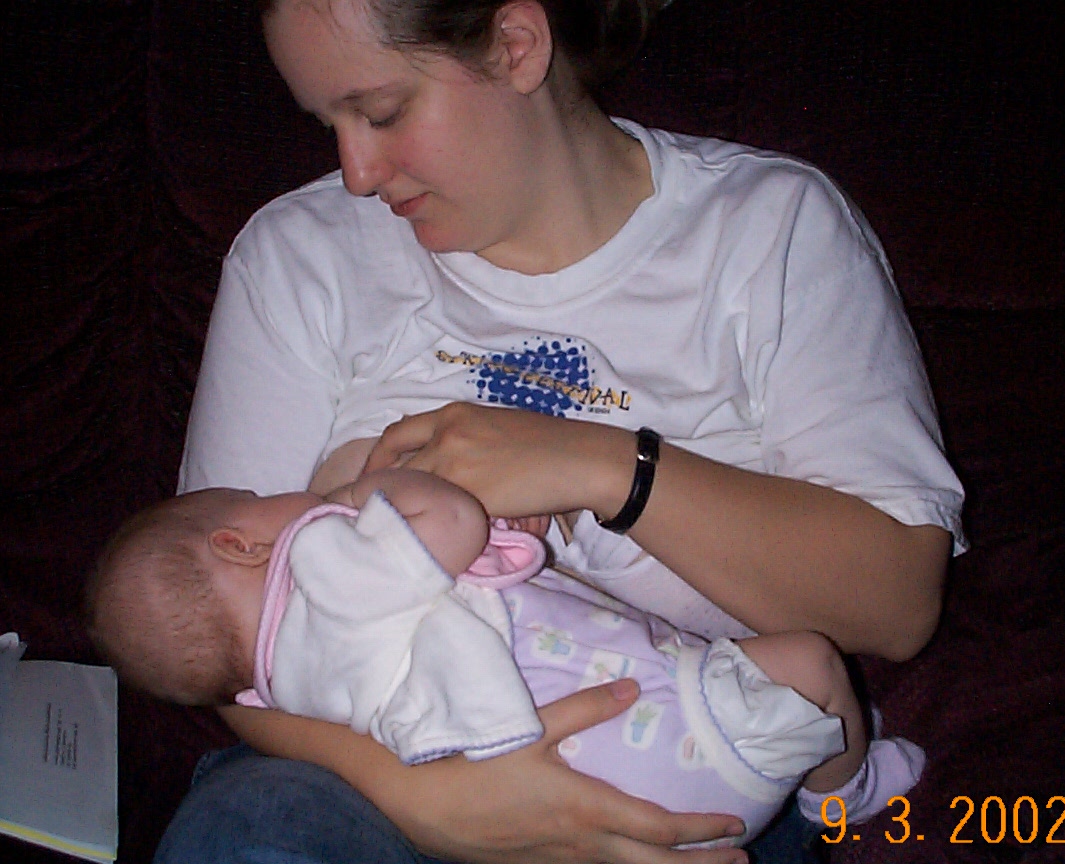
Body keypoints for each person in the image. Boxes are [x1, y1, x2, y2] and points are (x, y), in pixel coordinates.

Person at [161, 0, 966, 862]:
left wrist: (604, 468)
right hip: (365, 788)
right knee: (251, 832)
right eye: (329, 124)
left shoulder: (773, 230)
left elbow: (896, 605)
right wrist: (433, 802)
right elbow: (218, 635)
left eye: (382, 112)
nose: (356, 172)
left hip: (686, 768)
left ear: (517, 45)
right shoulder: (296, 257)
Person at [89, 469, 926, 847]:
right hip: (679, 726)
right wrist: (368, 493)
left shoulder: (283, 688)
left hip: (574, 806)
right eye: (251, 494)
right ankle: (841, 797)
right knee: (815, 666)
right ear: (240, 542)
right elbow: (451, 524)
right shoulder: (323, 564)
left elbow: (450, 594)